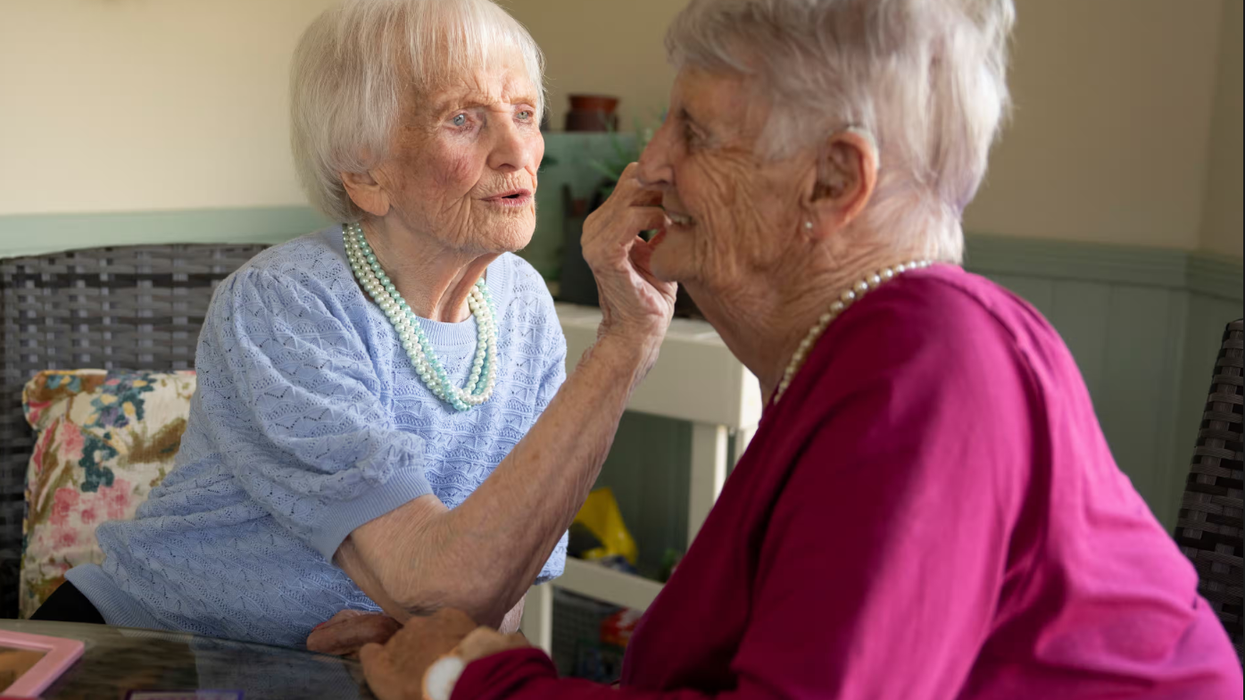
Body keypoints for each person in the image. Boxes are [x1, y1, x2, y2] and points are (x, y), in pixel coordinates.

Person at [349, 0, 1245, 697]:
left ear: (831, 180)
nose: (649, 163)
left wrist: (470, 678)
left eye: (694, 132)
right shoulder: (851, 358)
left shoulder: (933, 362)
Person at [36, 0, 676, 649]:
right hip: (151, 644)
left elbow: (506, 580)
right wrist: (624, 345)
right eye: (463, 118)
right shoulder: (286, 301)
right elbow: (433, 586)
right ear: (366, 173)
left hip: (341, 663)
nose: (517, 152)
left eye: (523, 114)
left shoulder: (525, 305)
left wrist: (413, 636)